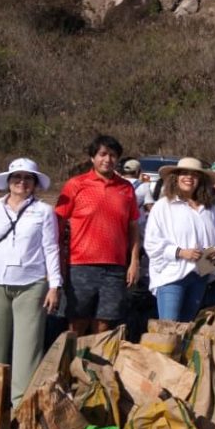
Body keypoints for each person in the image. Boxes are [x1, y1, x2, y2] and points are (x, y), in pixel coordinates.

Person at [0, 159, 62, 406]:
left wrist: (54, 285)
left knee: (27, 351)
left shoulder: (44, 211)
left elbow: (51, 248)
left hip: (32, 284)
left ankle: (20, 406)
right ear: (8, 181)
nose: (22, 182)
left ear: (35, 183)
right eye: (17, 177)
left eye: (28, 178)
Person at [55, 135, 141, 336]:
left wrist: (134, 261)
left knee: (105, 324)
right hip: (80, 265)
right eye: (102, 154)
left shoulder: (126, 188)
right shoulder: (76, 185)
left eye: (112, 155)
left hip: (115, 268)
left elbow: (133, 228)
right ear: (92, 158)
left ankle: (93, 366)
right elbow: (57, 225)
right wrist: (57, 262)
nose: (107, 159)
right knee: (77, 323)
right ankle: (71, 364)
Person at [144, 157, 215, 322]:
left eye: (194, 175)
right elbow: (151, 242)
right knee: (169, 328)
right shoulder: (163, 206)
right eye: (184, 173)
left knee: (188, 327)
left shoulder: (210, 209)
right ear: (176, 177)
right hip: (172, 276)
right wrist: (180, 252)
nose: (189, 177)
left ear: (200, 180)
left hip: (200, 276)